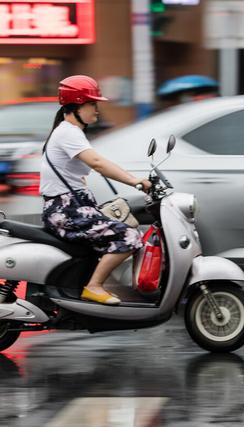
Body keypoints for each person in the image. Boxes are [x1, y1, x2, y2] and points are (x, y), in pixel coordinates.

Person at [40, 75, 151, 305]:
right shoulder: (68, 132)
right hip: (66, 210)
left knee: (126, 223)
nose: (97, 110)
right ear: (77, 106)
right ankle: (94, 286)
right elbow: (98, 163)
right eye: (92, 104)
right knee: (130, 236)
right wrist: (135, 181)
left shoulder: (71, 132)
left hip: (72, 207)